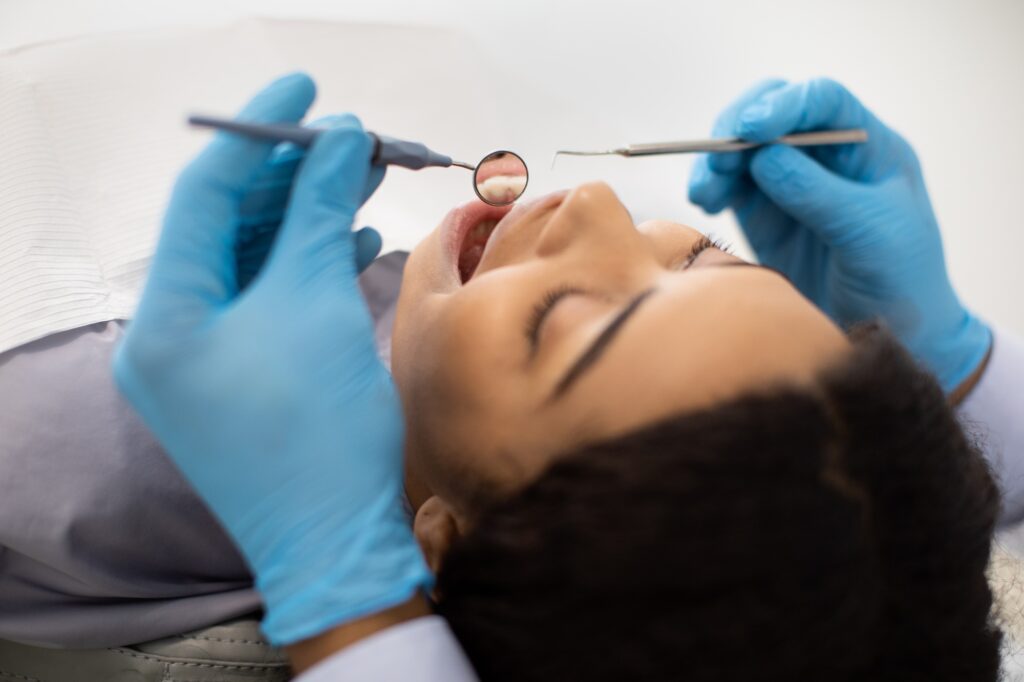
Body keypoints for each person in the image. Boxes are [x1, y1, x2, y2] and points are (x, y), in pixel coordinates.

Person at [5, 72, 1019, 679]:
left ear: (440, 544)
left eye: (557, 316)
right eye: (699, 255)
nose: (599, 208)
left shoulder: (70, 441)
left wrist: (345, 589)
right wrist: (958, 365)